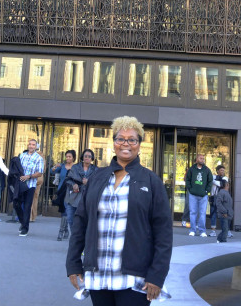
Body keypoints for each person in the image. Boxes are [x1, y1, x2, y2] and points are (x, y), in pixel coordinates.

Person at [66, 116, 172, 305]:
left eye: (132, 139)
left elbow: (163, 232)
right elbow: (81, 222)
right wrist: (73, 263)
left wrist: (157, 275)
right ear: (114, 143)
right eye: (120, 139)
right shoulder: (97, 178)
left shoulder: (151, 181)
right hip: (99, 275)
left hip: (134, 278)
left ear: (139, 144)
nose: (126, 144)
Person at [63, 149, 96, 243]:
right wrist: (73, 184)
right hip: (73, 198)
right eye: (85, 156)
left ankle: (81, 240)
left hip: (87, 199)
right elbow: (68, 179)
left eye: (89, 156)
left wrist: (89, 182)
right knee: (70, 219)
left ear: (92, 158)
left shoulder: (95, 169)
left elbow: (98, 183)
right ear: (82, 157)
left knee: (83, 221)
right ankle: (75, 238)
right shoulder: (75, 167)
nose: (87, 158)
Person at [15, 138, 44, 237]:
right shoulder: (22, 155)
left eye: (33, 145)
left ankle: (25, 228)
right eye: (30, 144)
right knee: (16, 204)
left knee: (27, 206)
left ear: (36, 147)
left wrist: (29, 176)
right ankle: (23, 222)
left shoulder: (39, 158)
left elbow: (40, 173)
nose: (31, 146)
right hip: (20, 184)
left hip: (30, 185)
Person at [185, 153, 213, 237]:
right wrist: (190, 189)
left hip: (203, 195)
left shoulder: (207, 170)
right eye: (201, 158)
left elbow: (210, 181)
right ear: (197, 159)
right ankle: (192, 230)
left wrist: (207, 191)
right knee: (193, 212)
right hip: (193, 195)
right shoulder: (191, 169)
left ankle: (202, 231)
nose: (202, 160)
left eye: (203, 158)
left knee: (202, 213)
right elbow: (187, 179)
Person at [52, 150, 75, 241]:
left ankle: (61, 232)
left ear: (73, 158)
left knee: (66, 211)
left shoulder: (76, 167)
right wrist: (55, 167)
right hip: (61, 191)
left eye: (70, 156)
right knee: (63, 211)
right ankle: (65, 230)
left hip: (71, 192)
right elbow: (52, 171)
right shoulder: (62, 166)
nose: (68, 158)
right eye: (67, 156)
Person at [208, 164, 228, 236]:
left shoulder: (225, 178)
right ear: (217, 171)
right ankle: (213, 231)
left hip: (222, 198)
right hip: (214, 197)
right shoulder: (213, 177)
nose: (222, 172)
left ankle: (226, 231)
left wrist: (215, 181)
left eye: (223, 170)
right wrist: (216, 181)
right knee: (213, 214)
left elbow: (222, 184)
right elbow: (211, 180)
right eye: (221, 170)